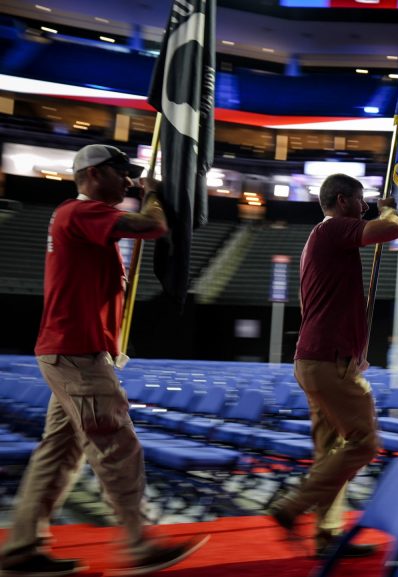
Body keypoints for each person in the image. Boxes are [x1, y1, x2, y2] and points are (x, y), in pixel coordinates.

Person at [0, 144, 207, 576]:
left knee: (58, 453)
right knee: (117, 445)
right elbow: (151, 225)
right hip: (77, 354)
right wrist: (151, 192)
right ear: (94, 173)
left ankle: (21, 548)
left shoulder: (76, 217)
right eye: (120, 171)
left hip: (70, 351)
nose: (128, 179)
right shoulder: (82, 211)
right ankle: (138, 543)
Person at [268, 173, 398, 558]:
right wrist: (390, 208)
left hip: (313, 359)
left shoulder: (319, 238)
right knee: (364, 442)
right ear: (342, 201)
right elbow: (392, 230)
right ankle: (292, 507)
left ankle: (327, 536)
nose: (364, 208)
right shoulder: (332, 231)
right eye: (360, 201)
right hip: (328, 361)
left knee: (330, 450)